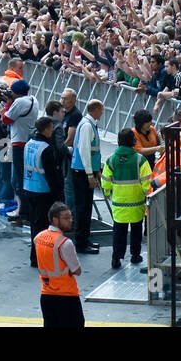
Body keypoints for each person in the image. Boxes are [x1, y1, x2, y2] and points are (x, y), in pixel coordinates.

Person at [102, 127, 154, 270]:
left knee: (119, 231)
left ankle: (116, 258)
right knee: (136, 230)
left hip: (119, 203)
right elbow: (147, 182)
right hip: (136, 203)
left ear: (118, 141)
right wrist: (146, 194)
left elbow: (105, 181)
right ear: (134, 141)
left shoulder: (111, 159)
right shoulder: (140, 160)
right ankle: (135, 255)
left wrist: (108, 191)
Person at [21, 115, 65, 267]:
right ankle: (40, 258)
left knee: (34, 225)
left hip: (28, 188)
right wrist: (58, 194)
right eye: (51, 128)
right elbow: (51, 175)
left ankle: (34, 256)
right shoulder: (46, 148)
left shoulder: (29, 144)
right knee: (43, 227)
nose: (53, 130)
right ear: (46, 129)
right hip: (43, 191)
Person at [35, 202, 84, 328]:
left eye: (70, 217)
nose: (70, 220)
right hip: (67, 296)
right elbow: (77, 270)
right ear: (55, 220)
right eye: (66, 218)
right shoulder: (64, 243)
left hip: (46, 295)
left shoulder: (39, 238)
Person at [69, 98, 104, 253]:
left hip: (85, 171)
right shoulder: (87, 126)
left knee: (86, 206)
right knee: (82, 207)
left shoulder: (89, 124)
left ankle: (85, 239)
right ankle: (81, 242)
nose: (102, 113)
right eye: (101, 110)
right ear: (95, 109)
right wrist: (90, 174)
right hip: (82, 172)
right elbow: (84, 151)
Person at [1, 78, 38, 223]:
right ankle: (24, 210)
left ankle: (22, 211)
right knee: (23, 177)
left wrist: (7, 103)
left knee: (18, 178)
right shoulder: (33, 99)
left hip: (18, 143)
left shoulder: (19, 102)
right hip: (27, 141)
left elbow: (6, 119)